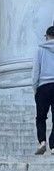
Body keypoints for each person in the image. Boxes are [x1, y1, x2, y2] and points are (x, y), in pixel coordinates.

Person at [33, 25, 54, 155]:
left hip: (43, 87)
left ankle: (42, 142)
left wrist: (35, 88)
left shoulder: (40, 50)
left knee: (40, 117)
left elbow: (36, 71)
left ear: (47, 36)